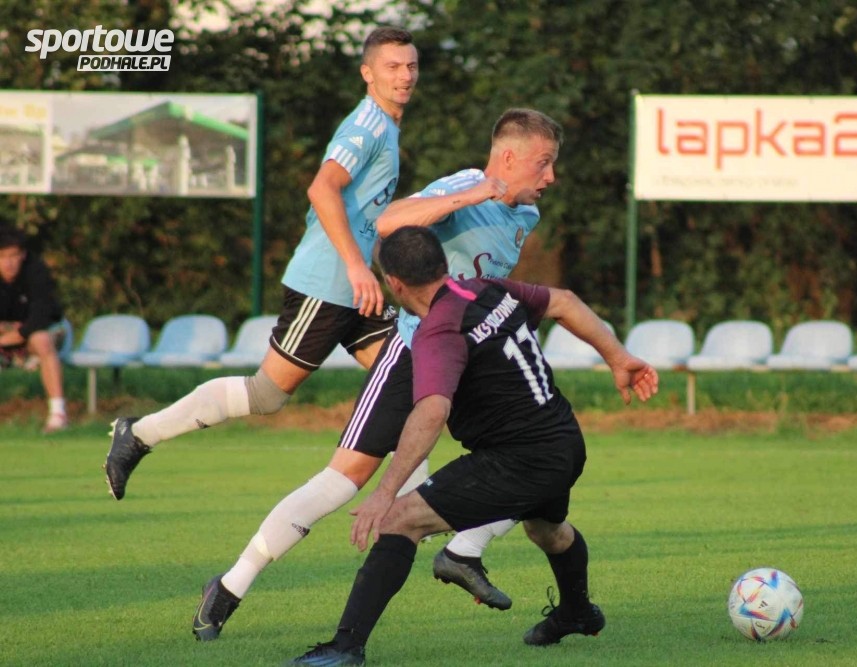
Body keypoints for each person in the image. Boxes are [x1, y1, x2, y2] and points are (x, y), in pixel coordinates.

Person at [191, 108, 564, 641]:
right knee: (342, 480)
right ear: (508, 157)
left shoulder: (527, 213)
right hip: (412, 354)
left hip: (470, 358)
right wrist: (474, 195)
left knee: (541, 453)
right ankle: (230, 585)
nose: (550, 176)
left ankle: (465, 551)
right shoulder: (464, 186)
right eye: (543, 163)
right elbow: (389, 224)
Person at [286, 226, 659, 665]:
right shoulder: (485, 288)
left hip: (519, 459)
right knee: (547, 531)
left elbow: (432, 411)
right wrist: (618, 358)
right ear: (443, 264)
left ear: (395, 284)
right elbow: (564, 301)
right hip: (563, 440)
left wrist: (384, 493)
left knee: (398, 520)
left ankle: (345, 647)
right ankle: (577, 612)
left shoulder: (439, 330)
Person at [103, 26, 419, 500]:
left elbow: (360, 214)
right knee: (267, 395)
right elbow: (322, 189)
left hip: (355, 287)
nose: (405, 75)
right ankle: (139, 433)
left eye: (411, 65)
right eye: (392, 66)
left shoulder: (387, 126)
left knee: (407, 377)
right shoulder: (368, 125)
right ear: (367, 73)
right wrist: (356, 267)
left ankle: (417, 507)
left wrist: (370, 268)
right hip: (327, 284)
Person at [0, 225, 69, 434]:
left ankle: (58, 414)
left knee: (40, 340)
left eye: (13, 256)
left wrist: (15, 336)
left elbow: (41, 316)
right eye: (2, 257)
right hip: (8, 332)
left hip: (46, 329)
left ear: (22, 255)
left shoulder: (36, 271)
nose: (8, 263)